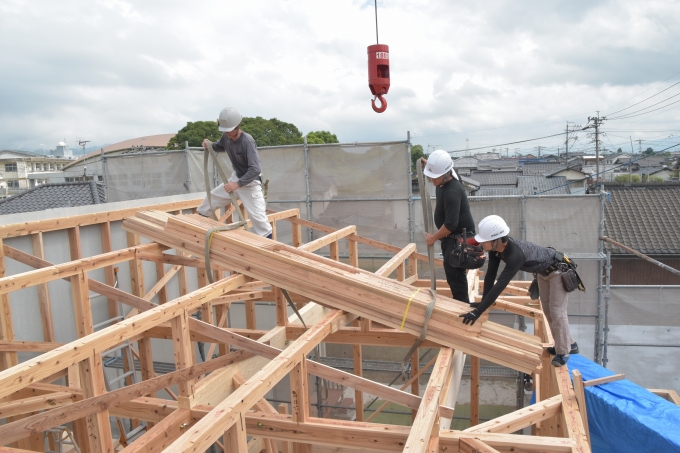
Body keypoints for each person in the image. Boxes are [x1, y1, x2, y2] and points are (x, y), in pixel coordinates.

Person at [459, 215, 579, 367]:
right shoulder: (496, 251)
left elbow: (500, 285)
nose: (480, 243)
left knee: (557, 312)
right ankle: (571, 344)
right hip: (544, 273)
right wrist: (483, 304)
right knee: (549, 311)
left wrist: (478, 312)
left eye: (484, 240)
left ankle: (562, 352)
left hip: (558, 272)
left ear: (496, 240)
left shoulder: (515, 255)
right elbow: (490, 275)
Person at [197, 107, 273, 238]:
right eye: (224, 130)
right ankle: (196, 231)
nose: (226, 133)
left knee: (261, 223)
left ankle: (270, 252)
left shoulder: (247, 141)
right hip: (236, 178)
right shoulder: (226, 136)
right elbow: (220, 146)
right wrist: (210, 145)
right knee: (209, 201)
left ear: (238, 126)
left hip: (250, 183)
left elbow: (255, 169)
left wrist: (237, 184)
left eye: (229, 130)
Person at [421, 149, 477, 303]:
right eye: (430, 175)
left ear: (446, 174)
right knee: (454, 274)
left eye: (435, 176)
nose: (432, 180)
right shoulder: (446, 175)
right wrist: (428, 164)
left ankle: (462, 307)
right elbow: (441, 169)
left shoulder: (452, 192)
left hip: (458, 238)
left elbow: (450, 225)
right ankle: (461, 303)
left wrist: (433, 238)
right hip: (452, 237)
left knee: (455, 277)